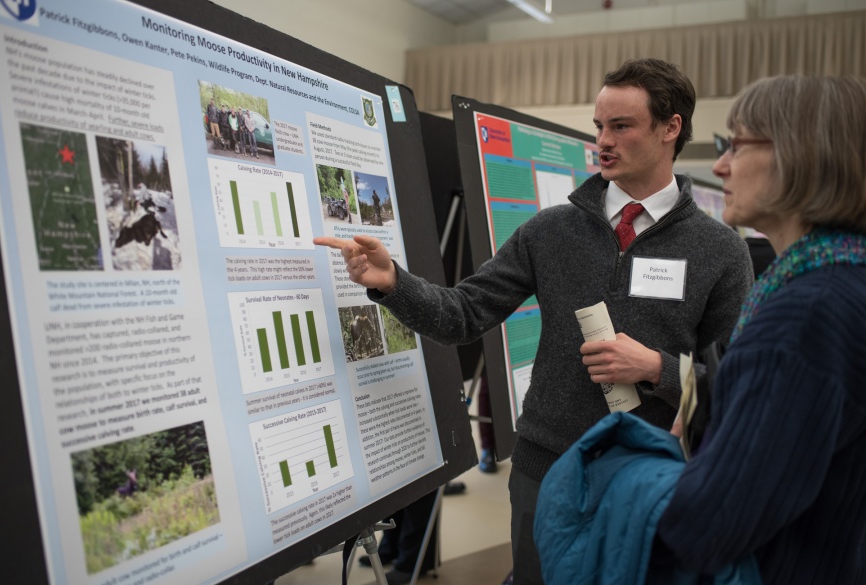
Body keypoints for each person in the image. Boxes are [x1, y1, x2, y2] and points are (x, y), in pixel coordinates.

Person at [315, 58, 754, 585]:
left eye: (621, 126)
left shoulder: (720, 251)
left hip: (650, 476)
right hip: (543, 470)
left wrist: (655, 366)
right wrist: (392, 281)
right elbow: (462, 314)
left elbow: (738, 385)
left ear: (670, 128)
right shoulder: (551, 231)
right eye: (599, 126)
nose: (603, 142)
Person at [657, 74, 866, 583]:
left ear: (803, 154)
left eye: (737, 143)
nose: (720, 164)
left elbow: (710, 521)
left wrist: (613, 471)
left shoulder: (803, 315)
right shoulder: (846, 279)